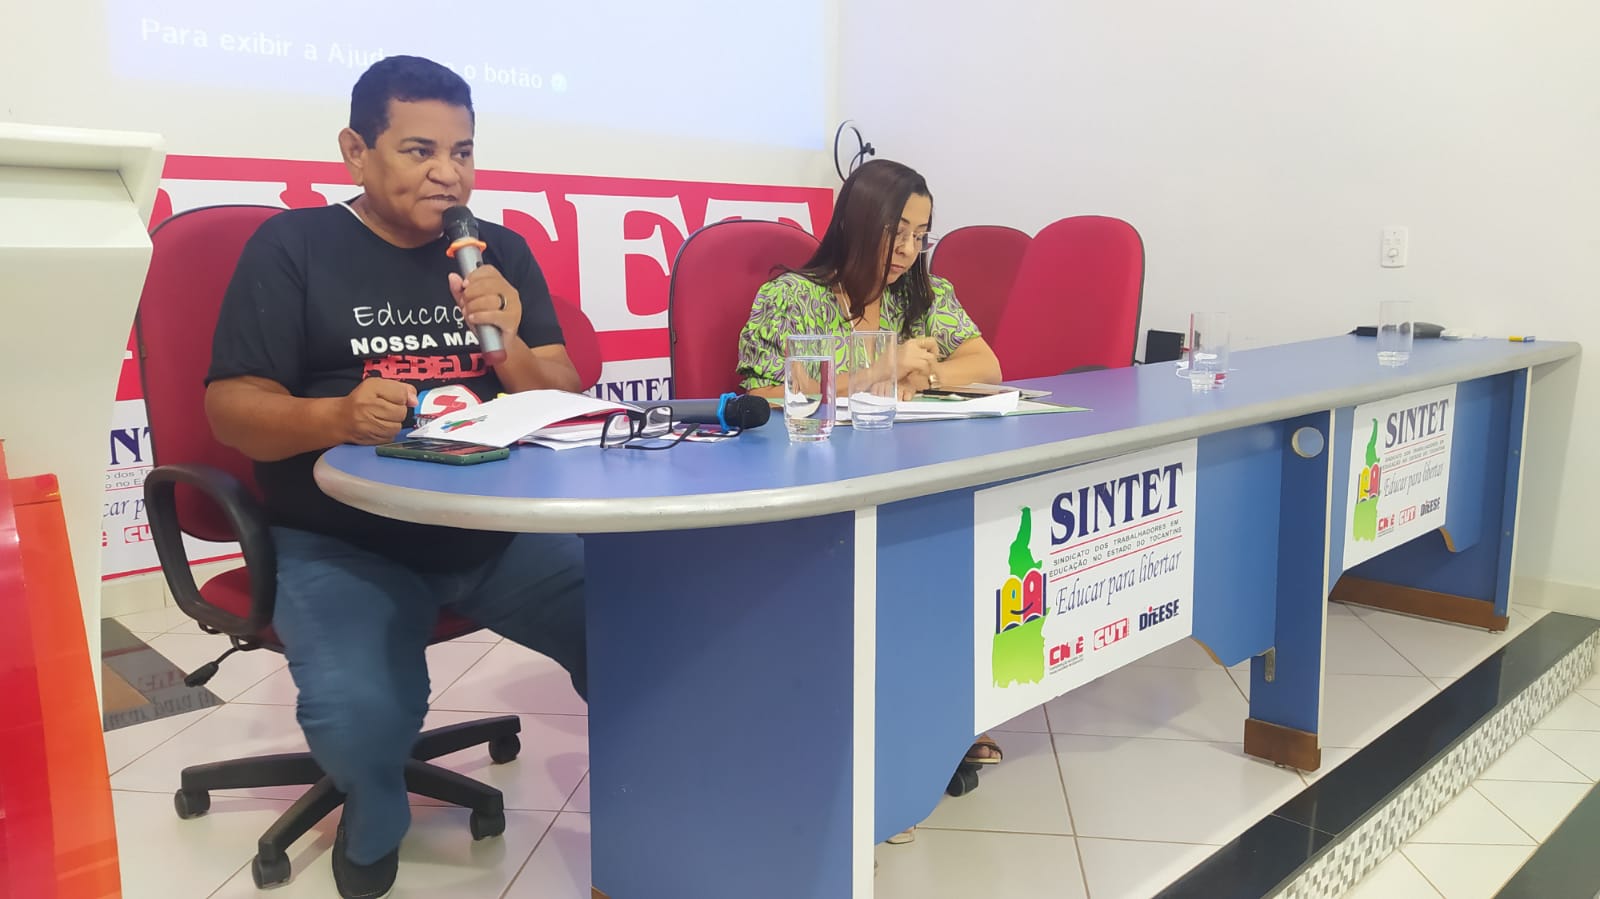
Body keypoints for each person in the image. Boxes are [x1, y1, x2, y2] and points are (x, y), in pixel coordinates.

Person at [205, 55, 586, 899]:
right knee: (362, 716)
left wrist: (507, 343)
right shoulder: (294, 247)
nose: (448, 173)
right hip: (341, 541)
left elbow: (562, 393)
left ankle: (671, 797)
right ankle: (374, 806)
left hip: (493, 530)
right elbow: (230, 409)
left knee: (641, 628)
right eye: (420, 150)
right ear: (356, 151)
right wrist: (335, 418)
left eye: (463, 152)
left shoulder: (496, 252)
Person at [735, 158, 1006, 843]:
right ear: (860, 222)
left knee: (955, 548)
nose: (909, 249)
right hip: (817, 486)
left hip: (909, 473)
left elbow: (987, 365)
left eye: (921, 234)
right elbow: (761, 394)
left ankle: (933, 723)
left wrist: (924, 374)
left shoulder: (925, 294)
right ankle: (873, 758)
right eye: (897, 232)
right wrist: (877, 370)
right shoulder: (792, 297)